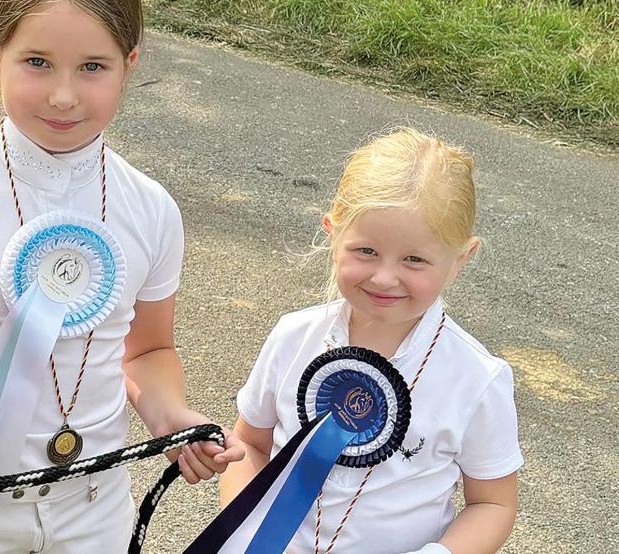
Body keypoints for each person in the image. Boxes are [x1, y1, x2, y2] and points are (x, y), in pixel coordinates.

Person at [0, 1, 243, 552]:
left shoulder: (152, 209)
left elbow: (147, 351)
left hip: (95, 513)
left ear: (129, 65)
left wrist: (169, 415)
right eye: (37, 62)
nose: (63, 95)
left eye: (92, 67)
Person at [219, 128, 522, 554]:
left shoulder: (477, 378)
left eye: (414, 259)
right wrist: (246, 533)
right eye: (366, 251)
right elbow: (251, 443)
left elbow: (493, 502)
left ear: (461, 259)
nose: (384, 277)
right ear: (332, 233)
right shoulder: (293, 337)